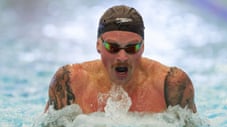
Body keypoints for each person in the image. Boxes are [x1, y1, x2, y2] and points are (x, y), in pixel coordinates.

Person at [44, 5, 197, 114]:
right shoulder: (70, 82)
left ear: (142, 47)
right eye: (113, 47)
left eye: (131, 48)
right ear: (98, 45)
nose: (122, 57)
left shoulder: (170, 85)